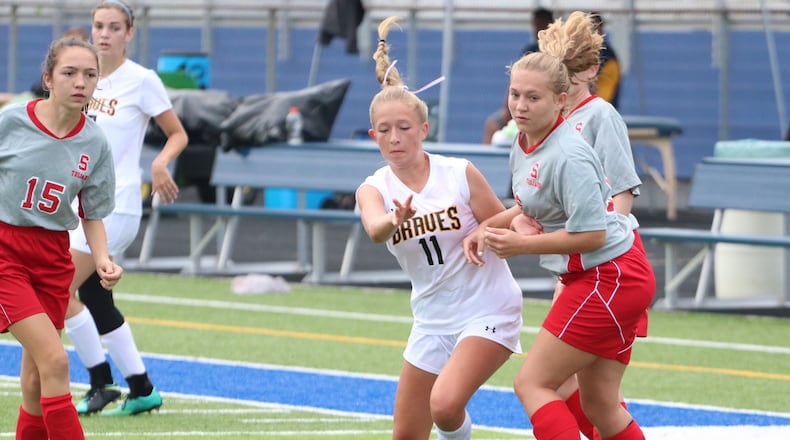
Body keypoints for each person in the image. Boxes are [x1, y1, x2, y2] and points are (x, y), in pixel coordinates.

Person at [463, 12, 656, 439]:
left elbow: (611, 208)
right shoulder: (529, 137)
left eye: (536, 93)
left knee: (534, 382)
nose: (521, 103)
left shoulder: (590, 125)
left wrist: (558, 253)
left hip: (606, 266)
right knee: (599, 401)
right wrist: (485, 228)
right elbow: (530, 203)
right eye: (516, 94)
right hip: (595, 264)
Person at [356, 16, 524, 440]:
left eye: (404, 128)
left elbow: (509, 214)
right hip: (431, 318)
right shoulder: (373, 188)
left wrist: (481, 232)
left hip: (487, 307)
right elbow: (375, 229)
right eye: (385, 131)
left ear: (424, 129)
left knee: (446, 406)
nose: (395, 138)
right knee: (407, 433)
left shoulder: (458, 173)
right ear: (374, 135)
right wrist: (394, 221)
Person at [63, 0, 188, 416]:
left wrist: (159, 162)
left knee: (57, 289)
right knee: (94, 297)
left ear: (129, 33)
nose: (104, 34)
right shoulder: (84, 77)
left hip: (117, 204)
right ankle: (142, 388)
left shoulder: (142, 80)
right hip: (76, 204)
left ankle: (101, 382)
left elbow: (177, 134)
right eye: (99, 25)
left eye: (114, 27)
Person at [1, 36, 122, 439]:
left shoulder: (94, 141)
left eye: (90, 75)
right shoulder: (11, 122)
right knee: (56, 363)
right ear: (48, 78)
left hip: (53, 259)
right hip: (6, 252)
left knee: (36, 383)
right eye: (69, 73)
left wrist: (102, 258)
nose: (80, 82)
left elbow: (93, 212)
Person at [534, 11, 646, 439]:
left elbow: (621, 194)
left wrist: (596, 257)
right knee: (591, 393)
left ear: (590, 70)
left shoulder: (600, 116)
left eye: (569, 71)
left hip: (604, 265)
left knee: (556, 383)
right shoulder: (552, 120)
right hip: (576, 262)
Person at [482, 7, 554, 144]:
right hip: (524, 106)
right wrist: (507, 110)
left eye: (541, 24)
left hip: (541, 110)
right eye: (535, 25)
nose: (538, 28)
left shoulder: (557, 51)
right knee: (492, 124)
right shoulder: (530, 49)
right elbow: (514, 81)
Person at [590, 13, 622, 109]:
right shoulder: (578, 55)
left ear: (601, 31)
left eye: (593, 29)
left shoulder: (609, 59)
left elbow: (604, 98)